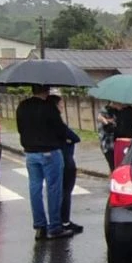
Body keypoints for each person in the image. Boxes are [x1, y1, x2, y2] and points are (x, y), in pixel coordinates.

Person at [17, 85, 74, 240]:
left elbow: (20, 129)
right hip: (50, 151)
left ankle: (40, 226)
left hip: (30, 152)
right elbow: (60, 129)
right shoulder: (49, 107)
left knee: (34, 188)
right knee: (53, 188)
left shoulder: (22, 106)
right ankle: (55, 226)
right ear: (46, 91)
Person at [48, 94, 83, 234]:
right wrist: (68, 140)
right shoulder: (56, 122)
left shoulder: (46, 123)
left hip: (54, 159)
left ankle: (57, 220)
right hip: (65, 160)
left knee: (56, 191)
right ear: (56, 106)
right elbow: (74, 137)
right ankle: (64, 221)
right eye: (61, 105)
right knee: (65, 191)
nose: (62, 107)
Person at [97, 102, 132, 171]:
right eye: (121, 105)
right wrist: (106, 122)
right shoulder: (105, 112)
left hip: (125, 143)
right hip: (110, 145)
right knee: (114, 167)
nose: (122, 106)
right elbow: (107, 130)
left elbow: (130, 127)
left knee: (125, 167)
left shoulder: (129, 111)